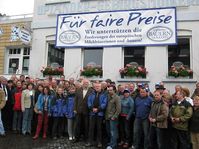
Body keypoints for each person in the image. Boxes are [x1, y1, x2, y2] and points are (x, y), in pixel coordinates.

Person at [86, 83, 108, 148]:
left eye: (98, 86)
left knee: (99, 128)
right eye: (96, 86)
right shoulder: (91, 93)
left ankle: (99, 142)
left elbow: (104, 103)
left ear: (101, 87)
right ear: (94, 87)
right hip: (92, 113)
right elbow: (89, 102)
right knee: (91, 128)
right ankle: (90, 141)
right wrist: (92, 108)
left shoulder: (104, 94)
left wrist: (98, 109)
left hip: (100, 114)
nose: (97, 87)